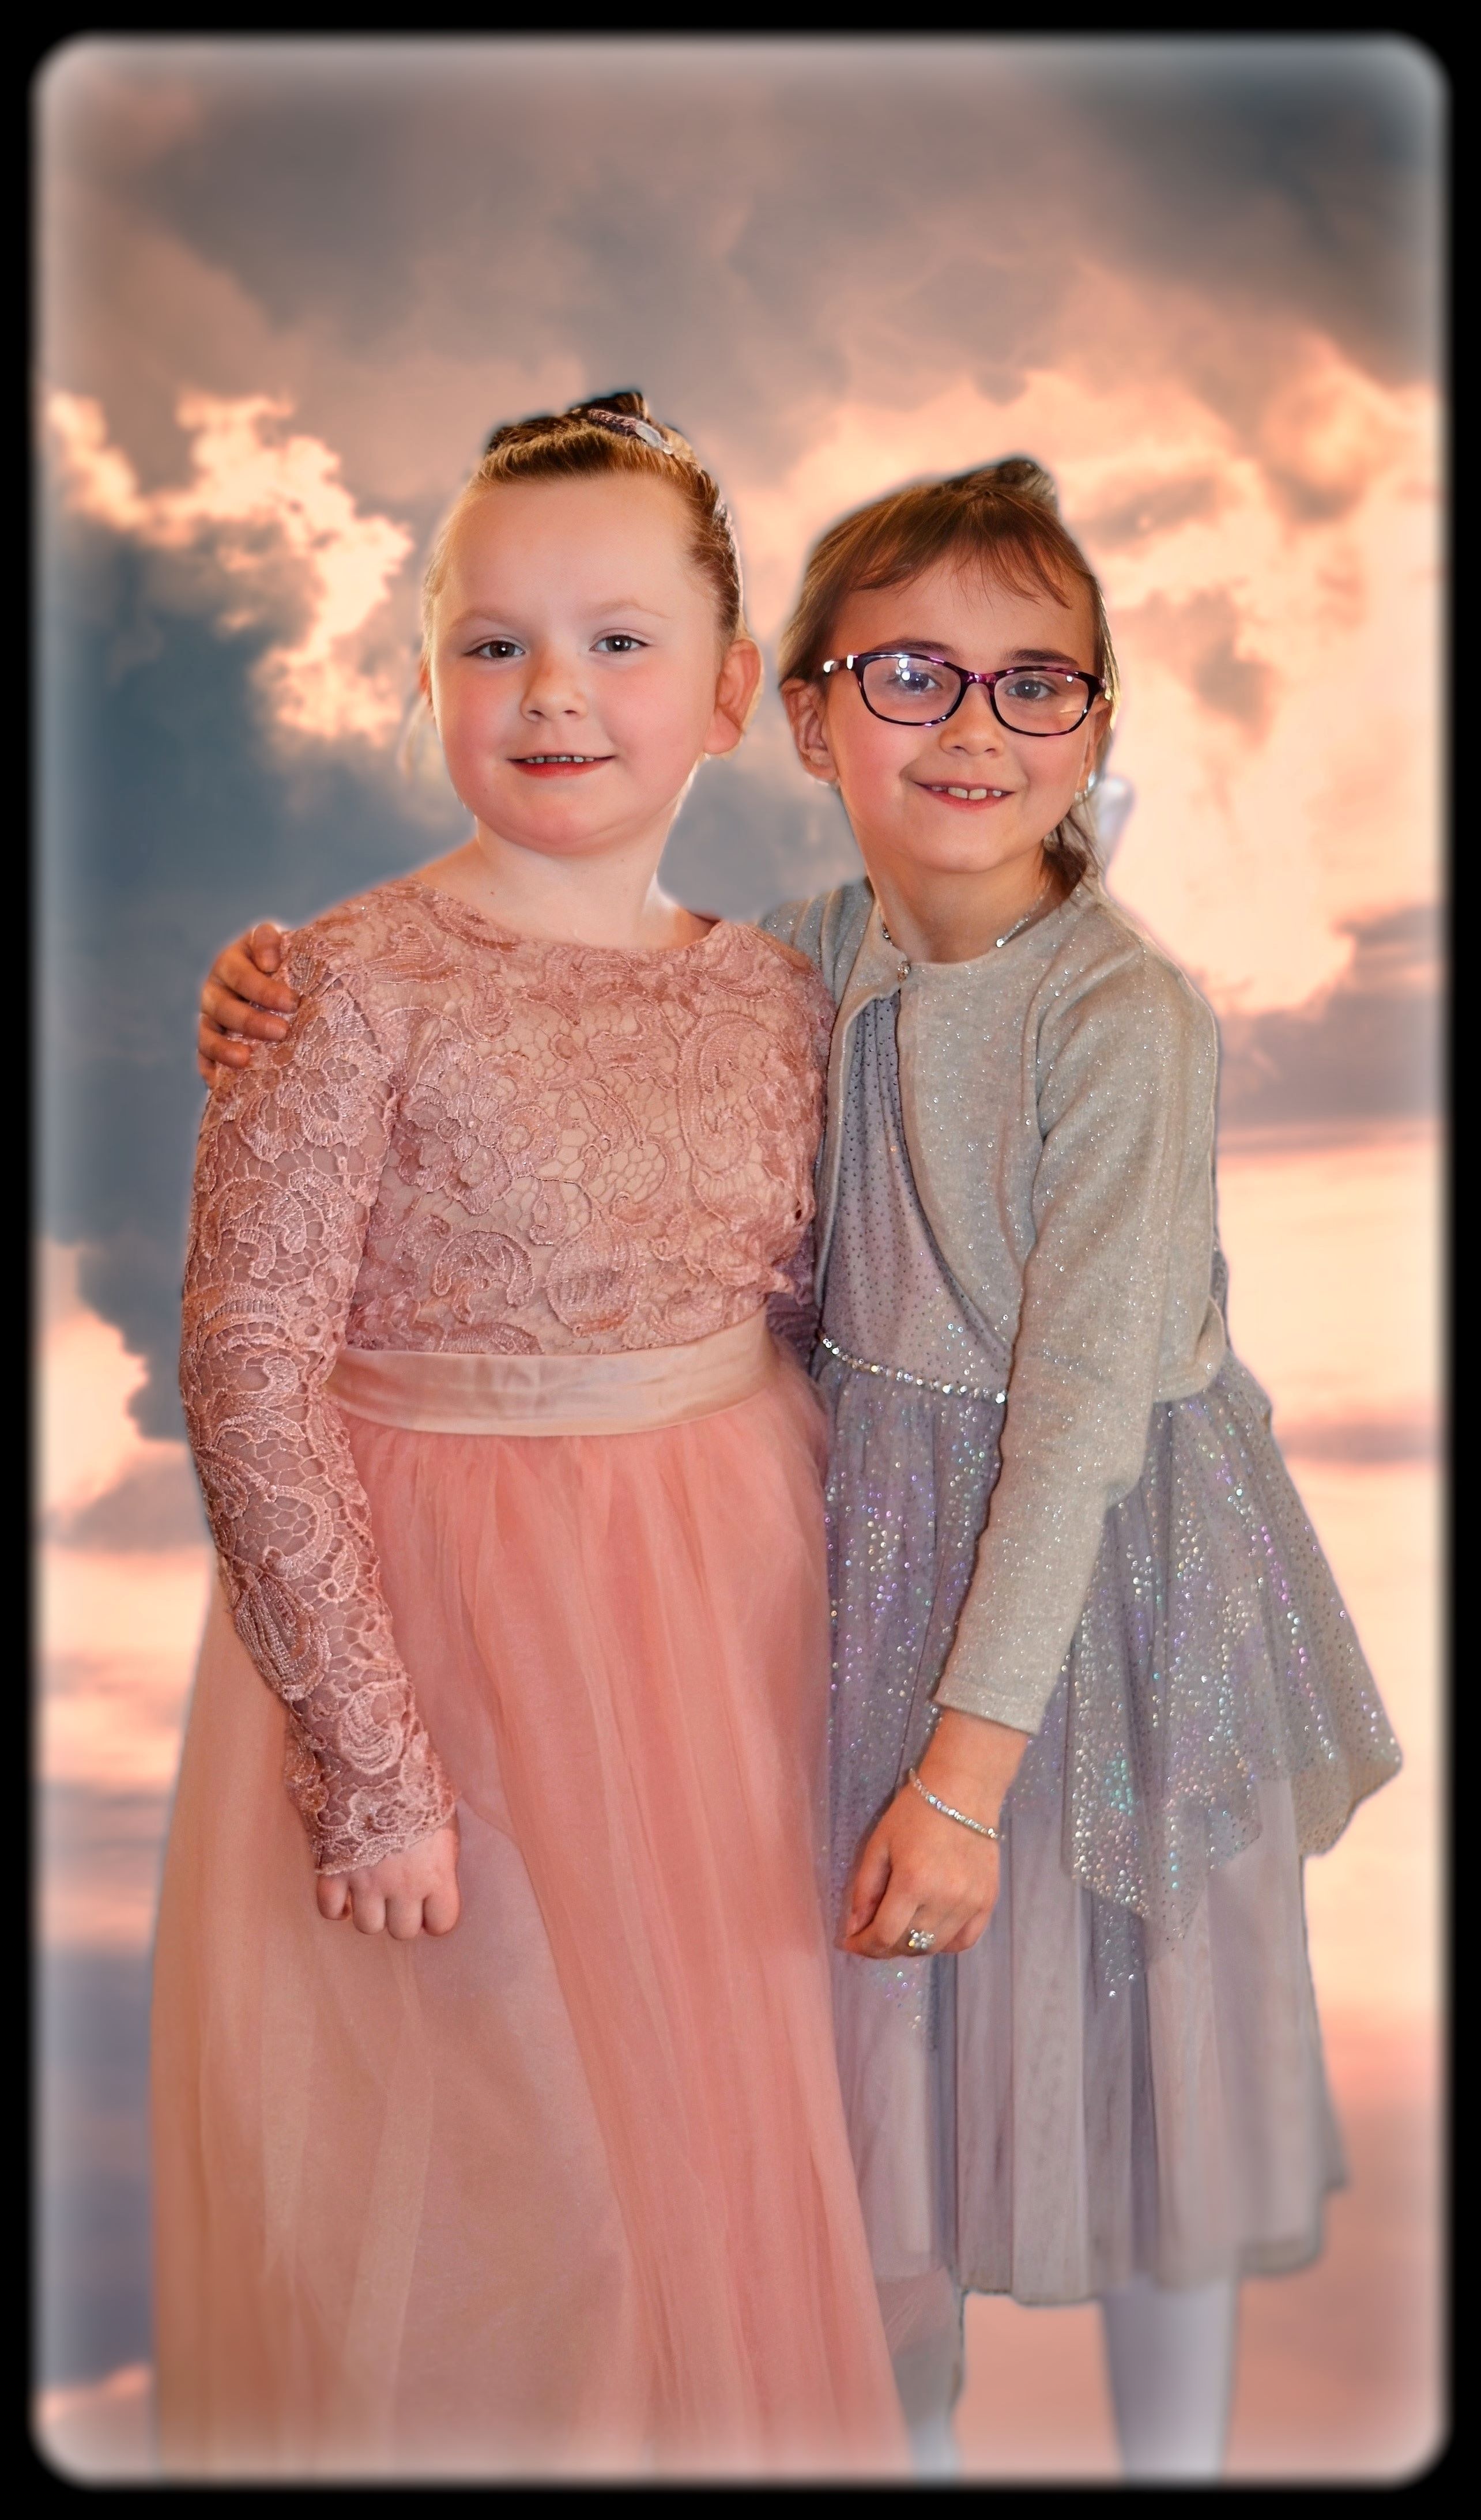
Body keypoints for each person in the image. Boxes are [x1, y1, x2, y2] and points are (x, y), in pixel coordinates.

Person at [196, 455, 1402, 2483]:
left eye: (1038, 685)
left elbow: (1081, 1407)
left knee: (1141, 2060)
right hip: (858, 1575)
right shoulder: (794, 955)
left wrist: (959, 1771)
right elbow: (604, 1084)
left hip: (1104, 1588)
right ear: (814, 709)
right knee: (868, 2094)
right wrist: (270, 985)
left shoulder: (1120, 1020)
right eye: (915, 673)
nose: (972, 725)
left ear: (1099, 727)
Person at [157, 392, 906, 2481]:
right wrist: (373, 1762)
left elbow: (824, 1319)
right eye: (493, 643)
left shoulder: (776, 994)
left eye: (617, 640)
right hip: (443, 1659)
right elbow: (246, 1356)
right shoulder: (342, 985)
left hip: (727, 1645)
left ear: (735, 688)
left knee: (712, 2195)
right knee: (518, 2227)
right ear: (423, 676)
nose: (553, 692)